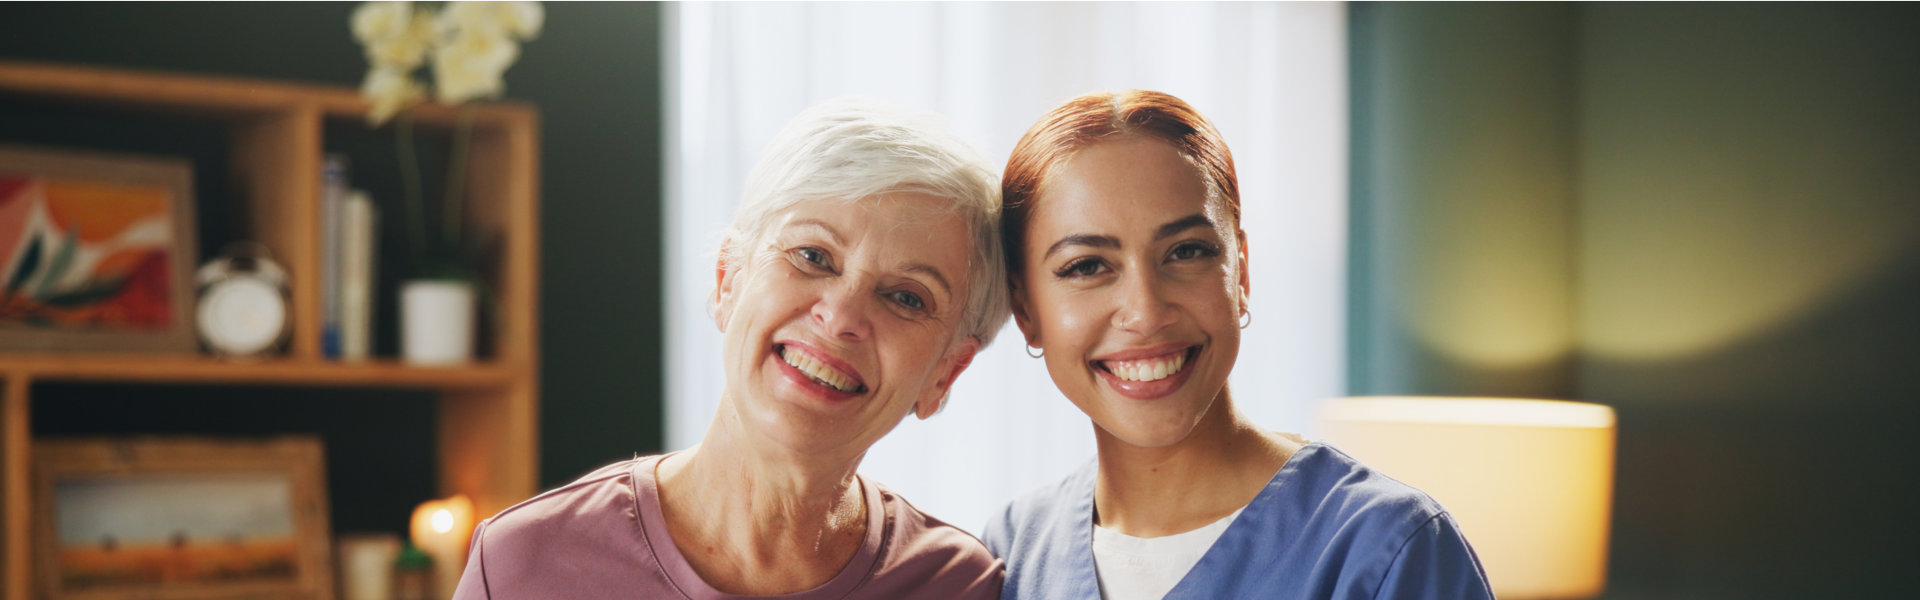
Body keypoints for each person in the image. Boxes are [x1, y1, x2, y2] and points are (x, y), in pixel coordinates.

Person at [453, 98, 1009, 599]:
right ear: (727, 281)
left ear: (946, 373)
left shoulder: (962, 586)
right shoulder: (522, 565)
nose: (840, 316)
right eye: (813, 256)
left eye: (907, 298)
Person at [981, 91, 1493, 600]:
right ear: (1026, 311)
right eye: (1087, 266)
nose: (1146, 312)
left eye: (1186, 252)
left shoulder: (1388, 548)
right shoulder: (1011, 552)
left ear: (1240, 272)